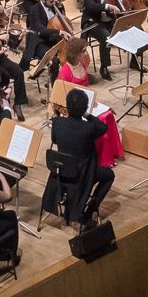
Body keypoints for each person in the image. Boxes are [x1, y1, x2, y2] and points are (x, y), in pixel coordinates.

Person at [48, 88, 112, 231]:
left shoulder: (57, 123)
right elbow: (103, 127)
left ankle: (70, 210)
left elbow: (54, 139)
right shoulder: (88, 128)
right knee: (109, 175)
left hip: (62, 174)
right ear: (84, 108)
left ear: (67, 106)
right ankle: (87, 214)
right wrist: (87, 114)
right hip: (82, 176)